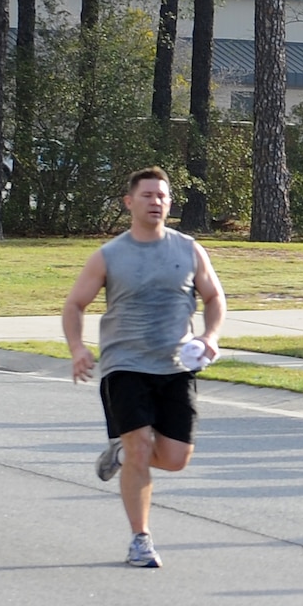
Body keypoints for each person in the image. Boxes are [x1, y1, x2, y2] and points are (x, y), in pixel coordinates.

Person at [61, 167, 225, 569]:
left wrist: (210, 336)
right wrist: (78, 348)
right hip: (124, 365)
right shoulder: (110, 254)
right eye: (148, 195)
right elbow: (74, 304)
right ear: (129, 202)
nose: (156, 202)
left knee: (174, 458)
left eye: (162, 196)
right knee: (139, 450)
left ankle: (121, 450)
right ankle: (140, 538)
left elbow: (214, 297)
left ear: (169, 203)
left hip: (174, 366)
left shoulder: (188, 249)